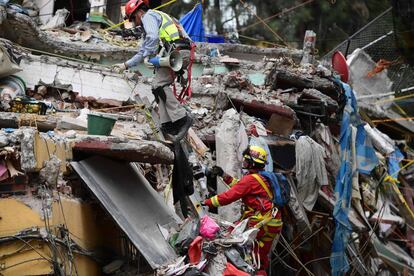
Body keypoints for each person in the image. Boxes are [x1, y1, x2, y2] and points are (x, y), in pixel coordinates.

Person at [113, 0, 193, 142]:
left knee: (159, 85)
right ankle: (168, 125)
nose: (134, 23)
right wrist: (125, 65)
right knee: (157, 87)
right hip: (175, 53)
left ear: (139, 12)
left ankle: (182, 119)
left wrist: (150, 54)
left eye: (133, 18)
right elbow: (142, 51)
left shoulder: (148, 17)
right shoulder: (152, 22)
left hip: (177, 53)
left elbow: (153, 39)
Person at [204, 146, 282, 274]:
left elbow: (229, 196)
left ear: (252, 162)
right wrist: (223, 175)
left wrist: (207, 202)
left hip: (261, 221)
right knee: (260, 256)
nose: (243, 162)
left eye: (246, 159)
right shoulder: (260, 177)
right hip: (273, 221)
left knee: (230, 240)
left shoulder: (251, 180)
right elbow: (240, 186)